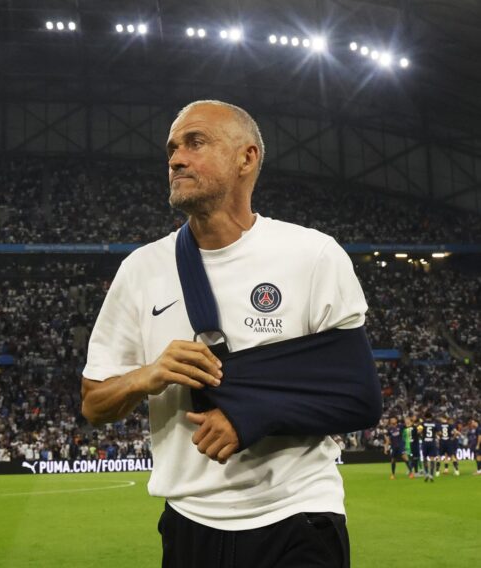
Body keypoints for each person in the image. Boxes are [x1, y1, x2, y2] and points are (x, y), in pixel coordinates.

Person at [81, 100, 372, 568]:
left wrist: (249, 414)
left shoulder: (313, 255)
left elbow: (357, 397)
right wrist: (146, 376)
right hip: (190, 522)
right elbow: (94, 404)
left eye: (195, 142)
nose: (176, 158)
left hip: (298, 513)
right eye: (172, 148)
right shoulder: (140, 270)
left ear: (247, 158)